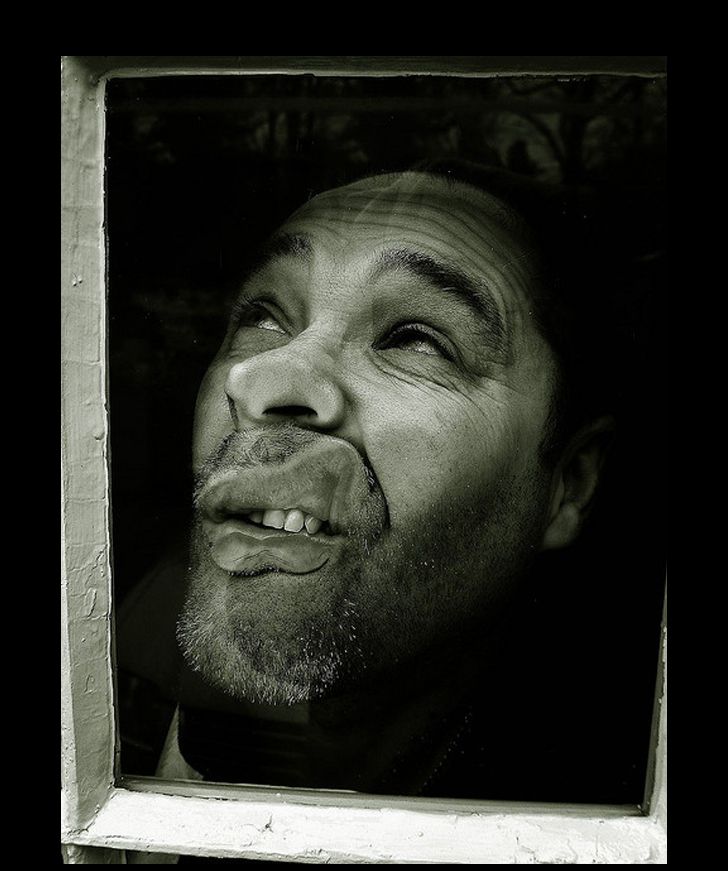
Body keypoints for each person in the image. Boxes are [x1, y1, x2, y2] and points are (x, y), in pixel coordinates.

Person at [116, 162, 653, 803]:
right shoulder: (127, 667)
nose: (259, 379)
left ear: (570, 485)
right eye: (263, 316)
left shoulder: (606, 806)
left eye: (415, 340)